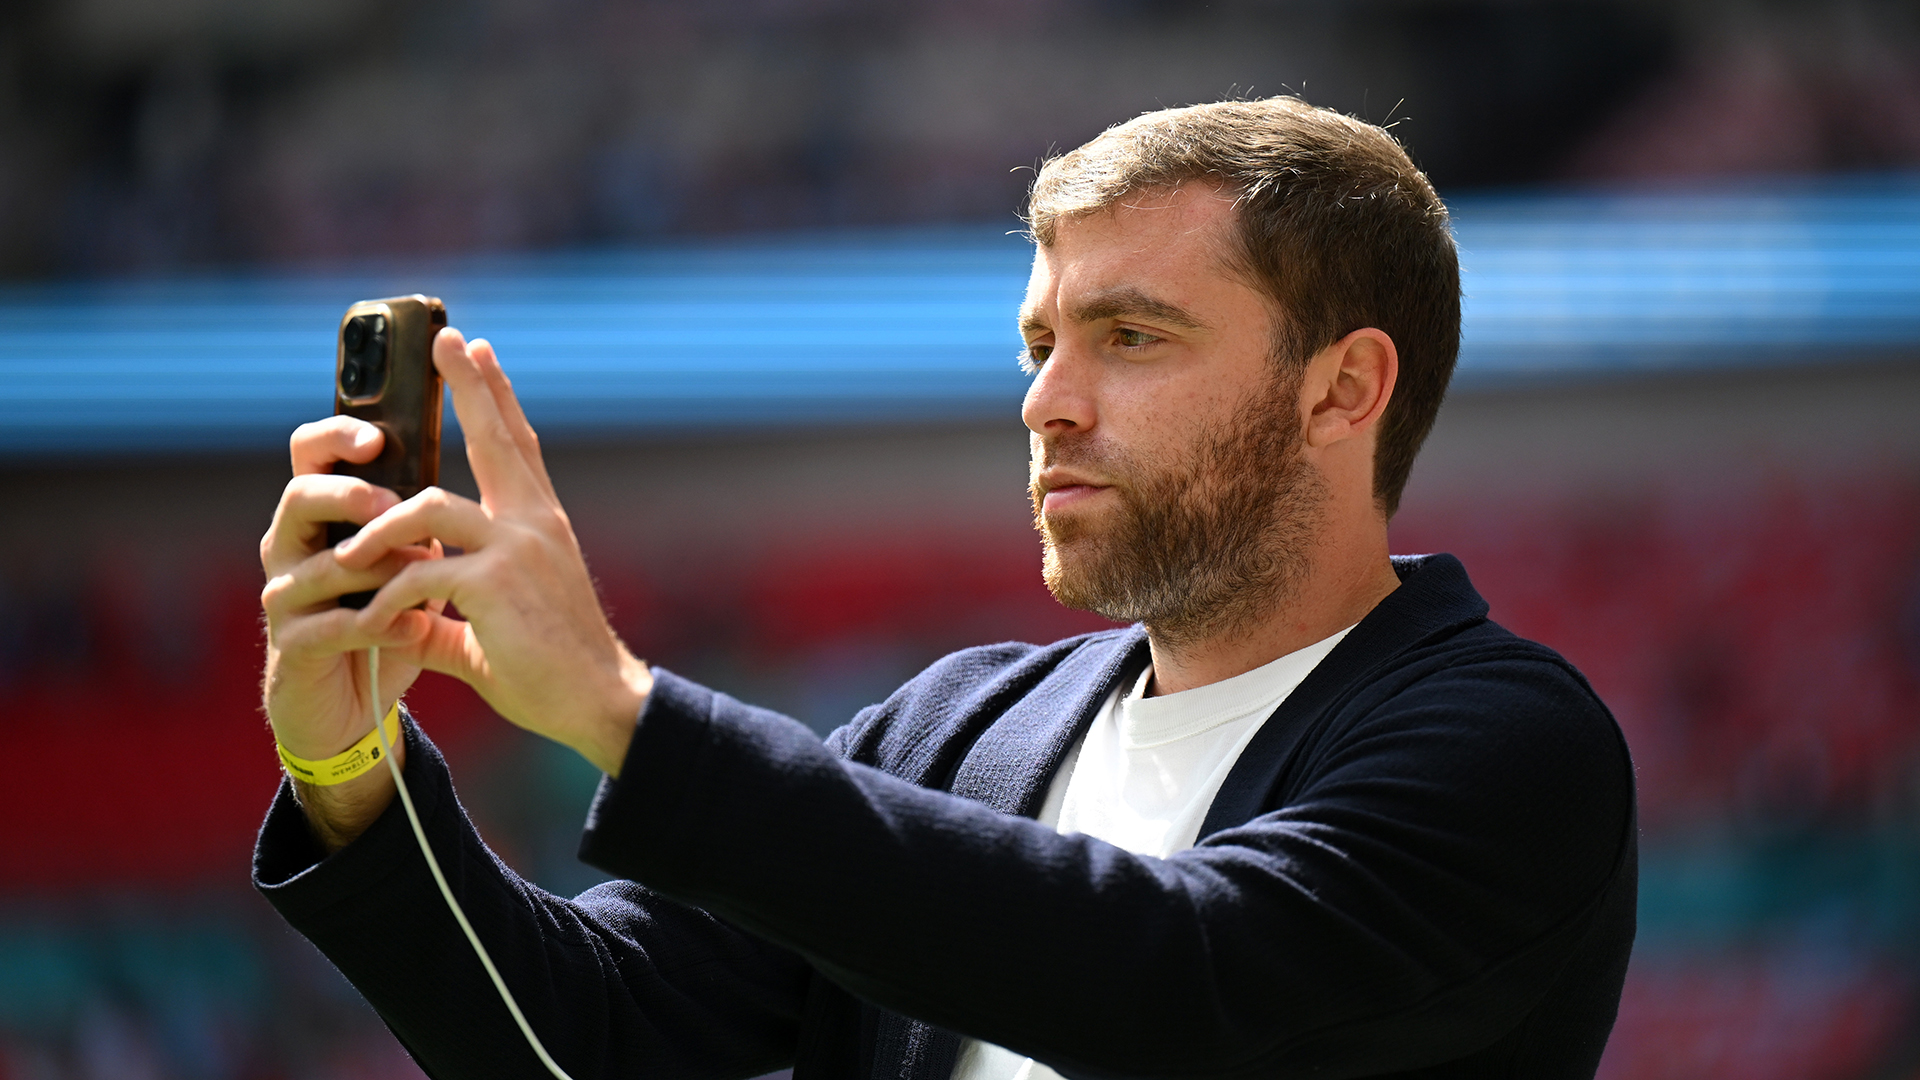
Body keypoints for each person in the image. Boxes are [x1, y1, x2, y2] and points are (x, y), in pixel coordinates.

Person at [255, 97, 1635, 1080]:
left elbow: (1169, 984)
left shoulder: (1510, 745)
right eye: (1041, 340)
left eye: (1131, 336)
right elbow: (589, 1039)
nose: (1047, 400)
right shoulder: (952, 732)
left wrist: (622, 708)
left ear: (1343, 389)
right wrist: (349, 764)